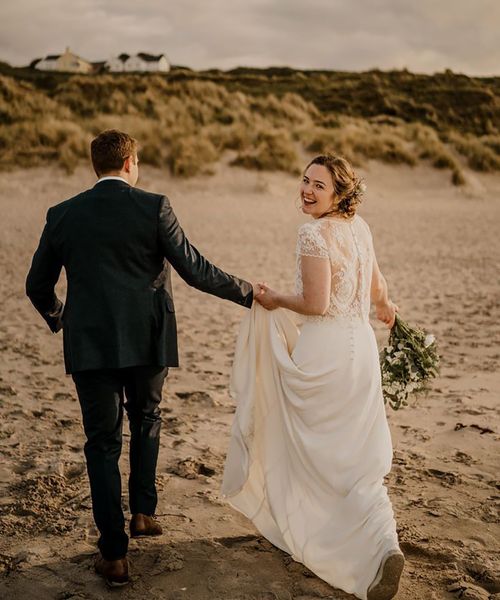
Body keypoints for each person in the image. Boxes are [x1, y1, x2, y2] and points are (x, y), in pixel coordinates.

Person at [26, 129, 258, 587]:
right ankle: (144, 514)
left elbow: (37, 286)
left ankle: (113, 554)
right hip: (148, 340)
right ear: (131, 163)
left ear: (97, 166)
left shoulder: (62, 215)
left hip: (90, 344)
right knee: (148, 418)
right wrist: (250, 293)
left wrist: (62, 319)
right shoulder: (154, 207)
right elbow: (195, 269)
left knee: (102, 443)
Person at [222, 155, 404, 600]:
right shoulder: (361, 228)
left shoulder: (313, 234)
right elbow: (378, 286)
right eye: (304, 180)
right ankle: (384, 543)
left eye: (318, 185)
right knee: (354, 454)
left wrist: (274, 299)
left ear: (339, 194)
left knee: (312, 448)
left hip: (325, 352)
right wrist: (384, 308)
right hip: (361, 352)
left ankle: (327, 536)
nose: (306, 189)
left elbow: (316, 304)